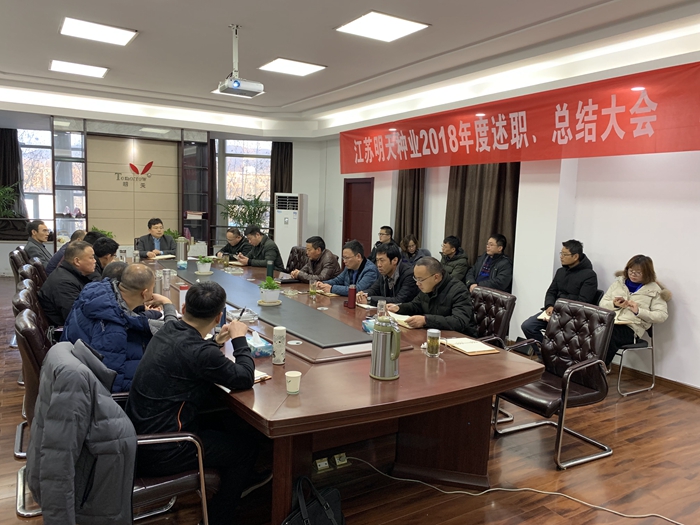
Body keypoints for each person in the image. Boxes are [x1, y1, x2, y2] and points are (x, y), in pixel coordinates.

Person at [126, 282, 261, 525]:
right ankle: (220, 517)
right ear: (219, 316)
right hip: (166, 449)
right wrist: (239, 339)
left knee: (225, 419)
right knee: (245, 450)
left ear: (184, 308)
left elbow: (192, 356)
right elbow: (243, 378)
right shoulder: (200, 352)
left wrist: (216, 342)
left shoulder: (169, 329)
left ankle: (234, 482)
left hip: (141, 436)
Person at [62, 263, 176, 392]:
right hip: (111, 392)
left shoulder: (98, 293)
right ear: (144, 293)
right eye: (152, 288)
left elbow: (129, 318)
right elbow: (111, 384)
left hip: (79, 371)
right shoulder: (113, 330)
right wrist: (167, 304)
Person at [521, 239, 598, 347]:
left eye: (565, 254)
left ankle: (552, 353)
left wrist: (559, 309)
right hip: (555, 312)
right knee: (528, 326)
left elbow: (583, 301)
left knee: (558, 334)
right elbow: (551, 292)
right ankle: (545, 353)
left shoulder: (589, 275)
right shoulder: (560, 271)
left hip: (573, 316)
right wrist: (549, 306)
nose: (561, 257)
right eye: (561, 253)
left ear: (575, 256)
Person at [599, 255, 670, 367]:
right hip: (611, 322)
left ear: (647, 273)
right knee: (589, 331)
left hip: (631, 329)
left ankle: (596, 370)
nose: (633, 274)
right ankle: (581, 366)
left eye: (638, 273)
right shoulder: (619, 283)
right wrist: (614, 304)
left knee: (608, 335)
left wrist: (638, 311)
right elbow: (602, 303)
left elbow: (661, 315)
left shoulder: (654, 290)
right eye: (630, 271)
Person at [387, 257, 477, 335]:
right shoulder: (428, 287)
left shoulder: (458, 290)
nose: (417, 283)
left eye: (420, 279)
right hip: (434, 334)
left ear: (436, 277)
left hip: (459, 339)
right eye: (416, 279)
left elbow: (459, 321)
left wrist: (426, 320)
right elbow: (416, 305)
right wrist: (398, 308)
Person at [38, 240, 96, 326]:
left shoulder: (68, 274)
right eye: (91, 258)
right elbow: (76, 319)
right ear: (77, 261)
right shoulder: (64, 283)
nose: (94, 261)